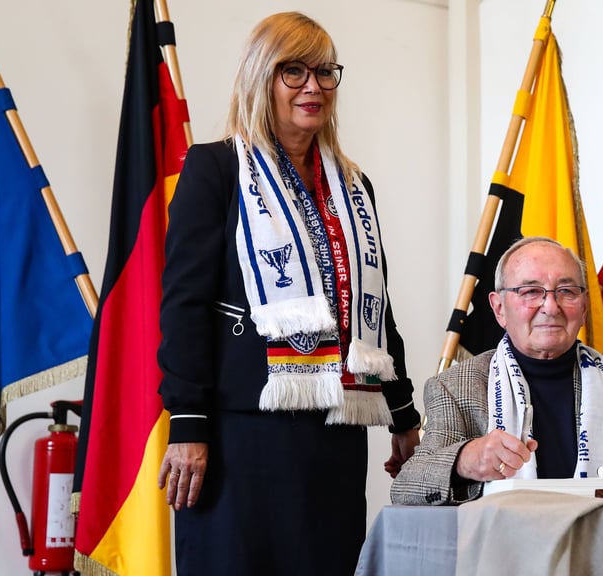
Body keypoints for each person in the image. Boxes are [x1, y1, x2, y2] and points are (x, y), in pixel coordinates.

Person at [156, 12, 421, 574]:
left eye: (325, 72)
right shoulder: (215, 169)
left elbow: (373, 310)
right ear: (261, 78)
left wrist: (403, 416)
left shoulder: (353, 184)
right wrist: (187, 423)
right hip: (239, 436)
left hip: (336, 436)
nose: (313, 86)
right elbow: (185, 307)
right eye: (293, 71)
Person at [391, 236, 603, 506]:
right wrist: (464, 461)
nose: (550, 306)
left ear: (583, 306)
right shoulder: (456, 387)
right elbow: (407, 485)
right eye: (530, 292)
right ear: (499, 308)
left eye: (566, 291)